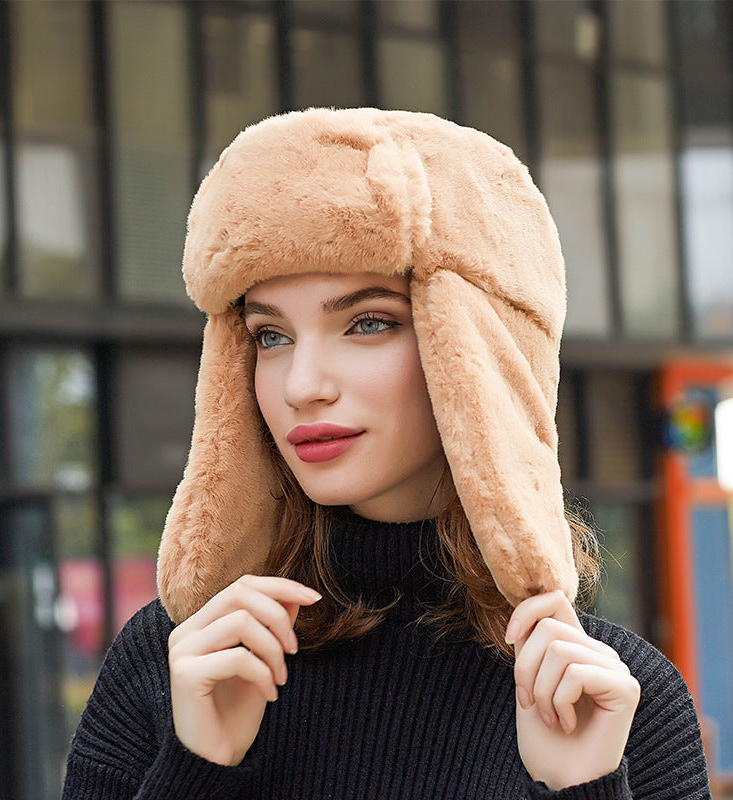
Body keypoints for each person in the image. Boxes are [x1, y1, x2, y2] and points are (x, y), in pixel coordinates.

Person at [62, 108, 710, 799]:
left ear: (478, 350)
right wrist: (195, 770)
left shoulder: (610, 701)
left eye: (368, 323)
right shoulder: (178, 663)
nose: (303, 386)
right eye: (270, 336)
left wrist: (583, 789)